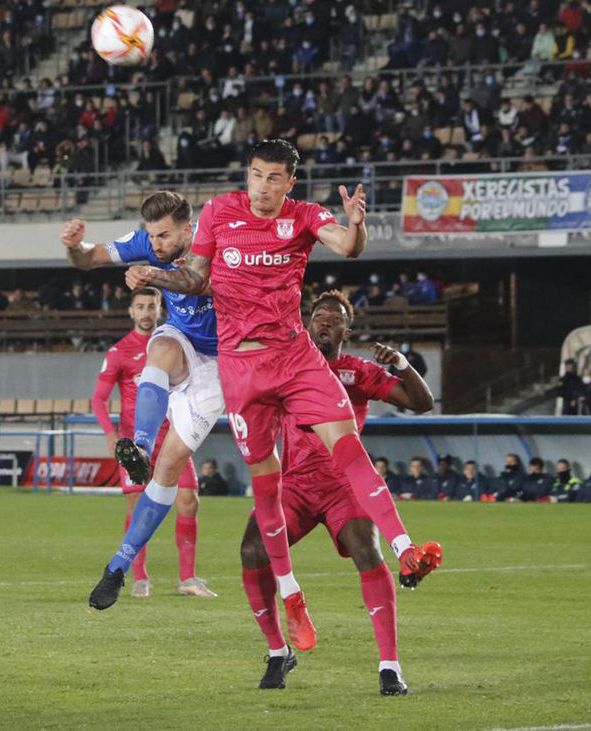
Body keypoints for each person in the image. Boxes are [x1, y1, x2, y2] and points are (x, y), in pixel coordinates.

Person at [126, 139, 442, 651]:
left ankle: (406, 547)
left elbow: (347, 246)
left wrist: (355, 221)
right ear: (247, 175)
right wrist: (155, 275)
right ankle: (291, 592)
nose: (264, 187)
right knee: (265, 487)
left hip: (293, 357)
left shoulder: (304, 215)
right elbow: (196, 278)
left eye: (275, 178)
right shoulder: (219, 212)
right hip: (243, 368)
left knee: (350, 449)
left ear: (289, 183)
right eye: (257, 175)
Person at [239, 291, 433, 694]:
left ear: (348, 329)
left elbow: (422, 402)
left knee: (367, 550)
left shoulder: (356, 372)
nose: (324, 320)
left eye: (334, 317)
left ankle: (390, 667)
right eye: (318, 315)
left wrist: (400, 363)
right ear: (306, 323)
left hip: (344, 485)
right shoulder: (285, 366)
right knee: (252, 548)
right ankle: (278, 652)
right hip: (294, 485)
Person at [66, 192, 223, 610]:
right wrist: (74, 245)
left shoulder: (216, 241)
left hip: (223, 363)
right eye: (151, 235)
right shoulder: (150, 244)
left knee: (169, 472)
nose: (155, 243)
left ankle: (122, 566)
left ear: (188, 230)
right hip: (185, 344)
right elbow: (92, 257)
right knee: (162, 347)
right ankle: (139, 444)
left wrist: (150, 274)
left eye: (164, 235)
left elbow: (196, 280)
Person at [88, 287, 210, 600]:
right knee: (138, 506)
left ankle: (188, 578)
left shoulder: (176, 345)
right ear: (131, 312)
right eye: (140, 306)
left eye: (151, 306)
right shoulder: (119, 352)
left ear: (160, 309)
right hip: (136, 447)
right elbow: (99, 399)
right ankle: (140, 578)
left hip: (173, 437)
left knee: (189, 501)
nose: (145, 312)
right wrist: (110, 434)